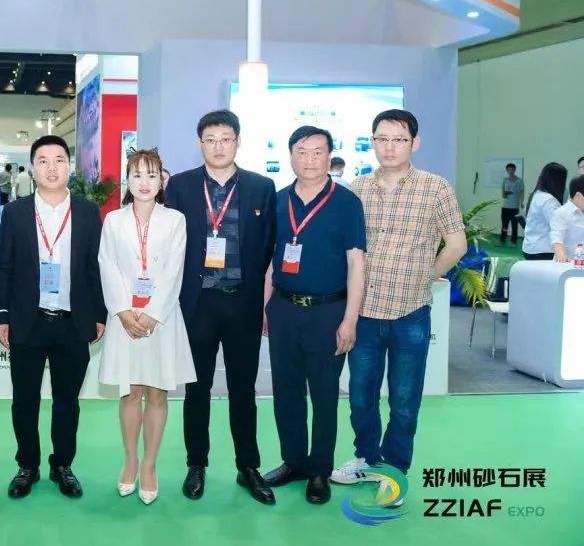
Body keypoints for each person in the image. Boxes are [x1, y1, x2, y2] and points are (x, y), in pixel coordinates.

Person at [331, 109, 466, 498]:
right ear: (372, 142)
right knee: (361, 397)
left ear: (414, 143)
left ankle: (395, 469)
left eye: (399, 140)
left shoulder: (435, 188)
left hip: (411, 314)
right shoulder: (357, 189)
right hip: (364, 314)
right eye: (382, 139)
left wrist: (425, 274)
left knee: (405, 400)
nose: (389, 147)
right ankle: (366, 458)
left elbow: (456, 244)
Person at [164, 109, 277, 505]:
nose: (218, 146)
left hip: (242, 303)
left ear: (237, 142)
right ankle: (196, 464)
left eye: (225, 139)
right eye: (210, 140)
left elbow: (269, 248)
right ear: (200, 144)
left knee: (243, 389)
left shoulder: (262, 187)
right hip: (197, 304)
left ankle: (248, 466)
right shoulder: (180, 186)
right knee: (196, 389)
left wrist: (265, 303)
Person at [0, 135, 106, 500]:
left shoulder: (87, 212)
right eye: (43, 161)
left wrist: (99, 313)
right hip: (28, 321)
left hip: (73, 321)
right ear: (32, 169)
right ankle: (27, 465)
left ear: (69, 167)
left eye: (59, 160)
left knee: (67, 401)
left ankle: (63, 465)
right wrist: (1, 315)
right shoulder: (15, 213)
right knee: (24, 401)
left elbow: (95, 267)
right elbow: (4, 266)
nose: (52, 167)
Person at [261, 126, 365, 505]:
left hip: (328, 312)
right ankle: (293, 462)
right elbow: (269, 259)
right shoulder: (277, 201)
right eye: (302, 152)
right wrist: (264, 307)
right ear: (290, 155)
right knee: (286, 390)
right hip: (284, 309)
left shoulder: (346, 202)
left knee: (323, 394)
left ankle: (319, 469)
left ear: (329, 156)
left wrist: (350, 319)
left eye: (318, 152)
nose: (310, 159)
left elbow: (356, 263)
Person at [99, 149, 196, 506]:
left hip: (162, 319)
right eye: (137, 175)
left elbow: (174, 269)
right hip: (125, 319)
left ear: (161, 181)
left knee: (156, 393)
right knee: (130, 392)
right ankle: (129, 461)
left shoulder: (175, 220)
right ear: (128, 180)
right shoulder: (114, 221)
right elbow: (107, 265)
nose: (144, 182)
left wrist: (153, 313)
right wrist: (124, 311)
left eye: (152, 175)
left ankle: (149, 465)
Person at [522, 163, 568, 261]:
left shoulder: (536, 194)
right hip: (543, 250)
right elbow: (558, 225)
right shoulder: (549, 201)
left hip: (530, 247)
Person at [551, 176, 584, 264]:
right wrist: (561, 255)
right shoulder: (562, 213)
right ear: (578, 195)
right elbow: (557, 238)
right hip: (569, 265)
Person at [500, 163, 524, 244]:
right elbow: (503, 195)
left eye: (512, 169)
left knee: (514, 225)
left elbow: (522, 192)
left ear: (515, 170)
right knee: (504, 225)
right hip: (505, 207)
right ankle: (502, 240)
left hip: (515, 207)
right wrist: (506, 193)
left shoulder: (519, 180)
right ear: (507, 170)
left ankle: (514, 241)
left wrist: (521, 202)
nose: (511, 171)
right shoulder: (505, 180)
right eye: (509, 170)